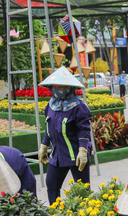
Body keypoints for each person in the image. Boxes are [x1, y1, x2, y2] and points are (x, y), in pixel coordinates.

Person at [37, 67, 92, 206]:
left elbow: (84, 130)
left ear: (69, 87)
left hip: (76, 155)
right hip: (57, 156)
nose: (56, 89)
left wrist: (83, 151)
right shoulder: (50, 105)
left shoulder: (79, 107)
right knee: (52, 185)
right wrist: (44, 145)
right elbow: (49, 127)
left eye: (60, 86)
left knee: (82, 190)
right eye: (54, 86)